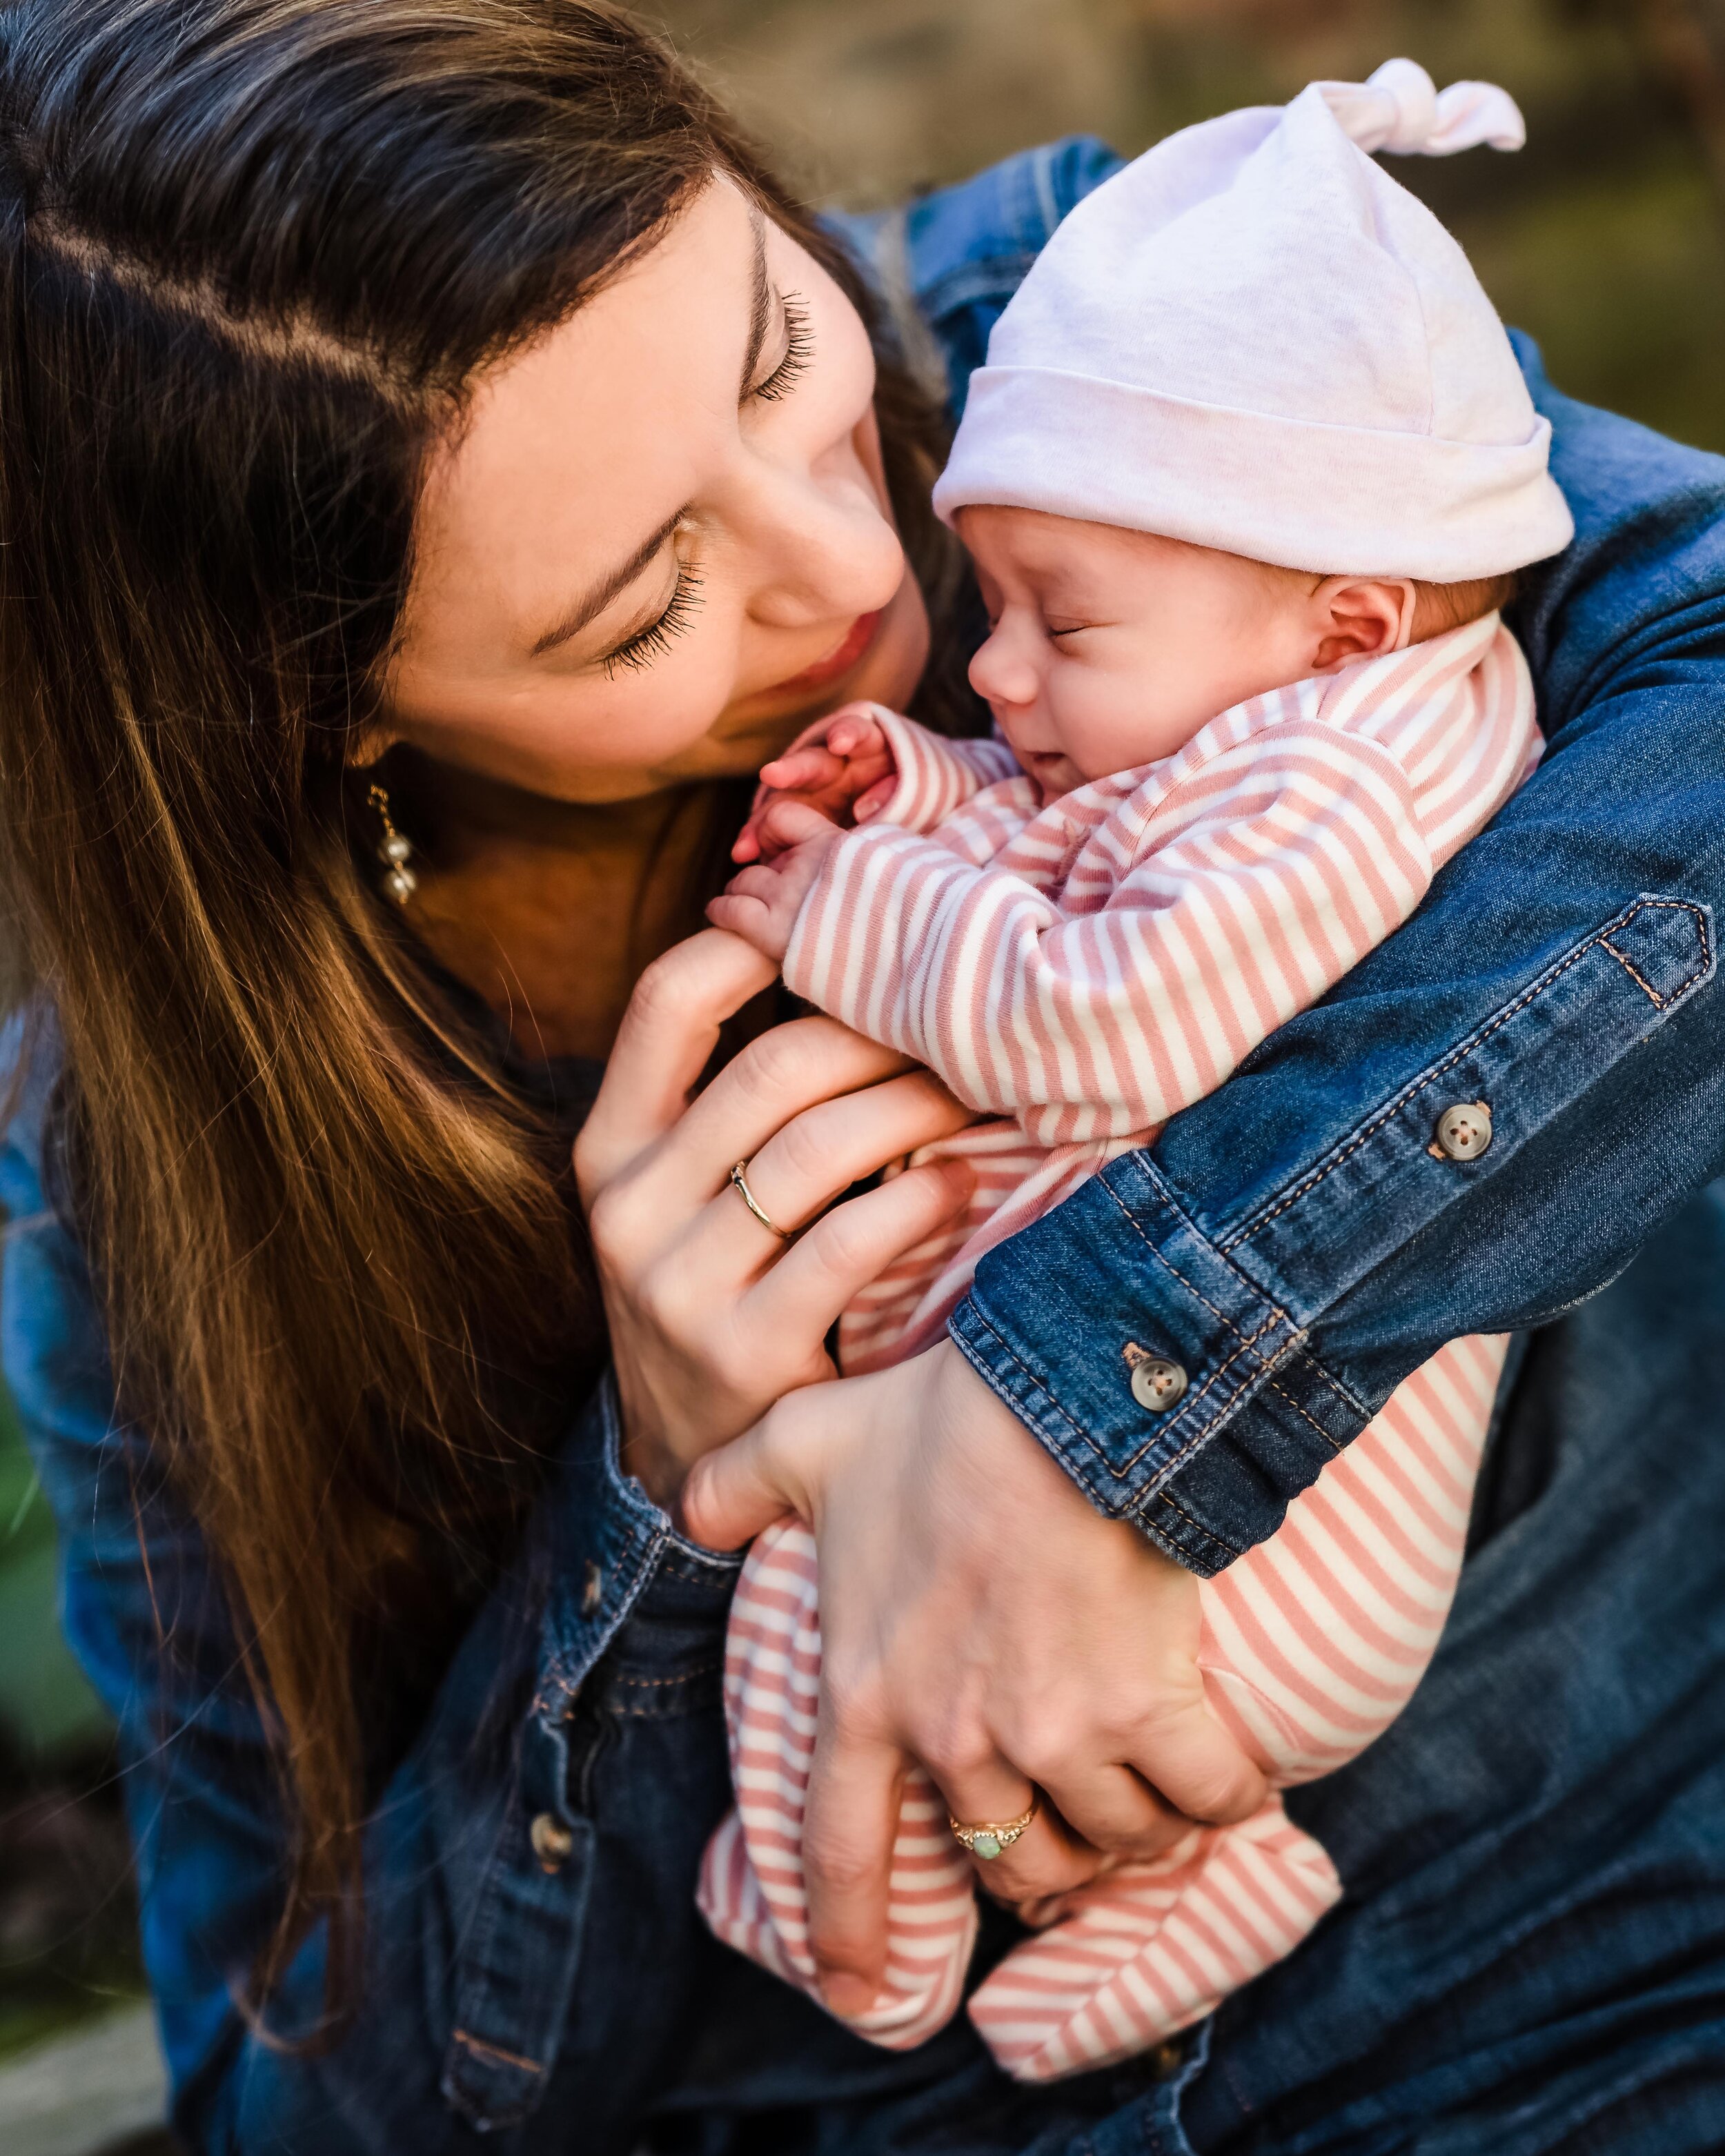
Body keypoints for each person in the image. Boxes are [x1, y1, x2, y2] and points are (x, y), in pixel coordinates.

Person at [0, 5, 1720, 2153]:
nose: (849, 566)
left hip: (1598, 1977)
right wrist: (652, 1501)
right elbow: (307, 2096)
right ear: (319, 714)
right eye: (641, 612)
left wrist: (1070, 1405)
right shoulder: (146, 1180)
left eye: (767, 356)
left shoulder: (1128, 335)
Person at [698, 61, 1571, 2080]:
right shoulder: (1267, 713)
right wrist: (911, 788)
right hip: (1179, 1511)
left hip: (1239, 1562)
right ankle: (1190, 1873)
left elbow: (1106, 1015)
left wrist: (842, 913)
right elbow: (1052, 833)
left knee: (803, 1586)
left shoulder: (1353, 784)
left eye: (1053, 619)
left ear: (1344, 609)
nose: (989, 671)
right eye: (986, 602)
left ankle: (859, 1935)